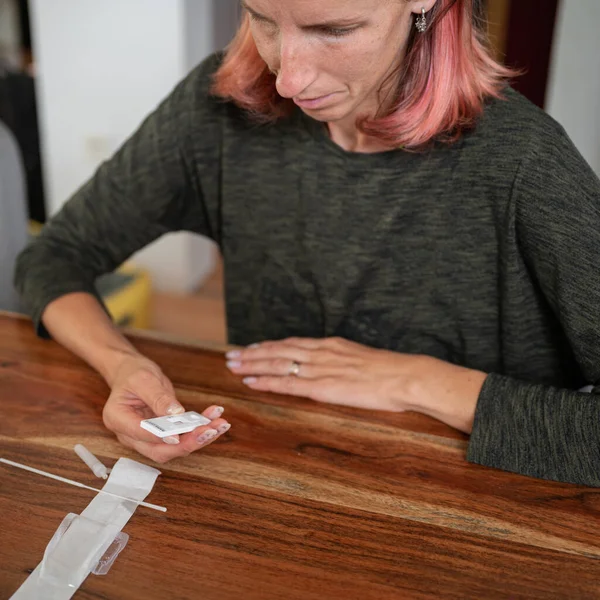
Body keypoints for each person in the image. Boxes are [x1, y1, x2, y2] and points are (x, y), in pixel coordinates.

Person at [14, 0, 600, 486]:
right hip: (274, 476)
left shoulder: (526, 163)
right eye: (261, 18)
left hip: (477, 514)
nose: (287, 78)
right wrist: (122, 366)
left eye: (335, 30)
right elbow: (54, 257)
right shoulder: (218, 110)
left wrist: (420, 381)